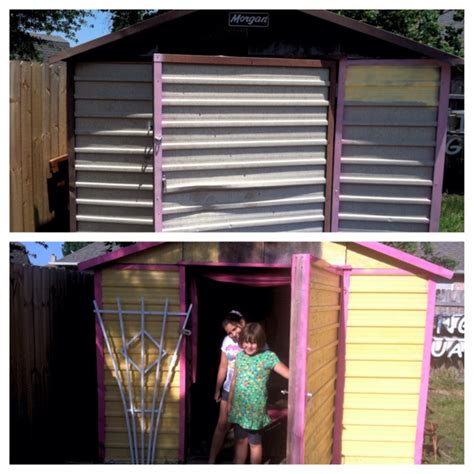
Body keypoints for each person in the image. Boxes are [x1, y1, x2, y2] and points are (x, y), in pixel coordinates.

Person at [227, 322, 289, 464]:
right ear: (241, 341)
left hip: (255, 410)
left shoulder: (268, 357)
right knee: (240, 441)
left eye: (254, 343)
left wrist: (304, 359)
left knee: (254, 444)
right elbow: (234, 380)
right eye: (246, 342)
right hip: (239, 408)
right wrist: (229, 402)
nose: (249, 346)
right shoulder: (240, 357)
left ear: (261, 342)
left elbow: (289, 374)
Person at [208, 310, 246, 464]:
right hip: (228, 388)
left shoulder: (252, 339)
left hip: (245, 390)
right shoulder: (227, 341)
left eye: (235, 329)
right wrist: (218, 388)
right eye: (230, 332)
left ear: (241, 324)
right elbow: (223, 366)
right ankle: (211, 462)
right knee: (222, 425)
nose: (233, 334)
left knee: (241, 430)